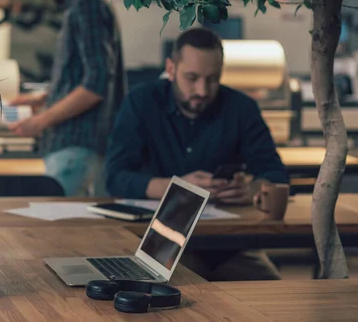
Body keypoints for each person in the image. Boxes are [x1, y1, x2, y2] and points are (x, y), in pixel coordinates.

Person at [105, 27, 288, 281]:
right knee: (183, 292)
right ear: (171, 69)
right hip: (160, 241)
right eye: (192, 78)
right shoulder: (141, 103)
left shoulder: (241, 108)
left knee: (273, 298)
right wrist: (179, 189)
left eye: (212, 79)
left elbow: (275, 172)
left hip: (229, 245)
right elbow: (114, 178)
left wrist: (254, 188)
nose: (202, 90)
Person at [8, 0, 126, 196]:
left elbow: (96, 85)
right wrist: (44, 98)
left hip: (78, 144)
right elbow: (84, 76)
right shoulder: (84, 1)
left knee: (57, 233)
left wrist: (40, 122)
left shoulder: (87, 5)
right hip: (77, 144)